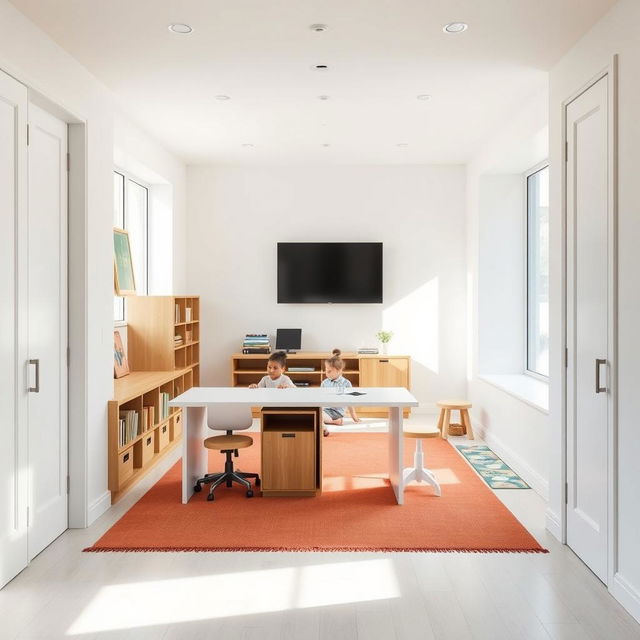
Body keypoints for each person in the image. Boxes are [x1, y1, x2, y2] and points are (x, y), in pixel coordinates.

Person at [321, 349, 361, 435]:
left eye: (329, 371)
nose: (326, 373)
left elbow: (350, 401)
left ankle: (324, 427)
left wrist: (354, 417)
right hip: (325, 410)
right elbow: (320, 399)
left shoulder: (346, 383)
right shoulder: (325, 382)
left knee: (318, 416)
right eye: (325, 370)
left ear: (339, 371)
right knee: (314, 413)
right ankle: (329, 423)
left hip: (337, 412)